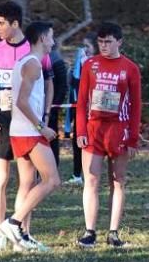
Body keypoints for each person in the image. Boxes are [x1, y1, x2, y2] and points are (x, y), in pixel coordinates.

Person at [0, 1, 53, 251]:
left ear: (16, 24)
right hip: (3, 123)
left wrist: (45, 114)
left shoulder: (34, 55)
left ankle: (22, 233)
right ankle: (1, 232)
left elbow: (48, 84)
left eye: (1, 23)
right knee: (0, 178)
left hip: (25, 123)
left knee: (27, 181)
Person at [75, 22, 142, 249]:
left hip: (119, 131)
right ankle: (89, 231)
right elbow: (82, 100)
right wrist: (80, 130)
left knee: (118, 181)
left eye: (108, 41)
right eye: (100, 41)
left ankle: (113, 232)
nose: (103, 46)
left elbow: (136, 106)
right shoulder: (90, 65)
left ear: (119, 42)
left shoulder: (130, 68)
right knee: (91, 179)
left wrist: (133, 137)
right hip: (94, 130)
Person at [0, 21, 61, 251]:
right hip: (28, 132)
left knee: (27, 183)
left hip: (21, 130)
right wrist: (41, 126)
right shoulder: (33, 64)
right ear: (43, 38)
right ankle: (13, 223)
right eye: (51, 36)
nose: (53, 41)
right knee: (52, 180)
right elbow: (22, 101)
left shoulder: (27, 61)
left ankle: (20, 238)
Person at [64, 34, 96, 185]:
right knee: (78, 140)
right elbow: (73, 84)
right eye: (83, 46)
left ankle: (92, 173)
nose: (83, 50)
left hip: (95, 110)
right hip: (80, 109)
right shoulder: (79, 64)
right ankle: (77, 175)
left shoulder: (95, 65)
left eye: (87, 47)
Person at [48, 44, 69, 167]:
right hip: (35, 107)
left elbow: (62, 86)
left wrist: (54, 106)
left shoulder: (56, 59)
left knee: (51, 137)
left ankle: (53, 166)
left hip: (51, 106)